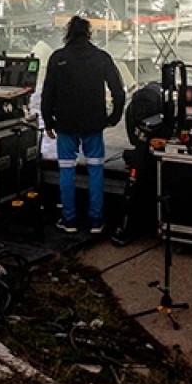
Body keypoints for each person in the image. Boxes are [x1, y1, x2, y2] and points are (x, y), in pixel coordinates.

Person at [40, 16, 126, 233]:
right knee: (96, 170)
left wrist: (48, 120)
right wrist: (114, 117)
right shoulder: (101, 57)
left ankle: (69, 220)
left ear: (68, 33)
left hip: (66, 125)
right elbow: (118, 90)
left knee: (66, 170)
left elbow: (48, 92)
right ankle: (96, 220)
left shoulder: (58, 57)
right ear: (89, 33)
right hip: (93, 124)